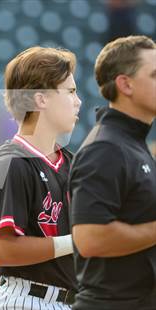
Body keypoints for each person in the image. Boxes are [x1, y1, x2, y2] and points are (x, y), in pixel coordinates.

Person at [0, 46, 81, 309]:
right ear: (41, 99)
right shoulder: (10, 163)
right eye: (70, 91)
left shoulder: (71, 163)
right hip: (26, 300)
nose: (77, 101)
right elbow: (4, 251)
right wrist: (75, 242)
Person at [70, 35, 156, 310]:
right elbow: (91, 238)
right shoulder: (105, 148)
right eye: (154, 75)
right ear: (125, 84)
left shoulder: (132, 145)